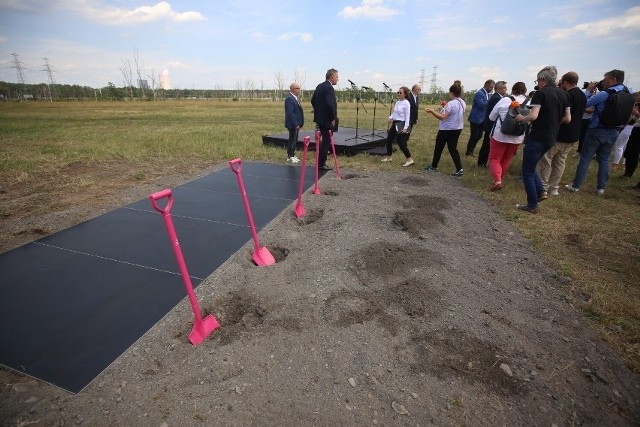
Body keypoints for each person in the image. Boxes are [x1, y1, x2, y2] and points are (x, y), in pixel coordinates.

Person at [514, 65, 570, 213]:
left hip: (538, 136)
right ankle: (541, 191)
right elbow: (567, 118)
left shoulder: (541, 93)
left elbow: (533, 116)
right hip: (552, 136)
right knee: (532, 167)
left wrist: (521, 118)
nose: (537, 83)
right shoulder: (564, 94)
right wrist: (553, 122)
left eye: (537, 80)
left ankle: (532, 205)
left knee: (526, 170)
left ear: (543, 79)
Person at [565, 69, 631, 195]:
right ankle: (601, 188)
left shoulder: (606, 94)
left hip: (597, 129)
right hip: (615, 131)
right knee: (604, 159)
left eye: (605, 80)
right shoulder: (627, 94)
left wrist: (589, 90)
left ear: (613, 79)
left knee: (585, 158)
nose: (603, 83)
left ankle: (576, 185)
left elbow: (583, 103)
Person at [535, 71, 586, 196]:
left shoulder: (568, 95)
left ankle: (543, 186)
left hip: (560, 133)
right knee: (560, 162)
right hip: (573, 135)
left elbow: (563, 115)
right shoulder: (583, 95)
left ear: (565, 82)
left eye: (562, 82)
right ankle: (554, 187)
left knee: (546, 159)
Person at [486, 82, 528, 191]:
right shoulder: (529, 102)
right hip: (518, 136)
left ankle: (497, 180)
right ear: (525, 90)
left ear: (513, 89)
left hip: (500, 134)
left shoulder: (505, 100)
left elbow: (491, 117)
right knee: (507, 158)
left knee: (495, 158)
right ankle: (499, 179)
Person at [423, 81, 466, 176]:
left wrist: (432, 111)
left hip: (446, 129)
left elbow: (442, 117)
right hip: (457, 128)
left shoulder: (451, 104)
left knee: (439, 147)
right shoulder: (462, 102)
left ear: (451, 92)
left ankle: (434, 166)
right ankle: (459, 168)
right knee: (453, 149)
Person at [311, 68, 339, 170]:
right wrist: (332, 117)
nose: (338, 79)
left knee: (324, 140)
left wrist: (318, 111)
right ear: (331, 77)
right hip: (327, 119)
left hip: (319, 118)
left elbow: (313, 100)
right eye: (337, 77)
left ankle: (320, 162)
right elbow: (329, 104)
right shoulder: (329, 88)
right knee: (326, 141)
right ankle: (320, 164)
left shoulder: (319, 86)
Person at [381, 86, 414, 166]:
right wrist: (390, 117)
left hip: (401, 124)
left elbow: (407, 116)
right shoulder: (398, 102)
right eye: (398, 92)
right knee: (389, 140)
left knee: (401, 143)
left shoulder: (406, 103)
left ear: (405, 94)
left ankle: (409, 159)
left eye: (400, 93)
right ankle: (389, 157)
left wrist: (405, 128)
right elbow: (395, 113)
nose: (398, 94)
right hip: (394, 123)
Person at [478, 81, 508, 166]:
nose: (506, 89)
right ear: (498, 89)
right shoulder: (496, 98)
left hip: (490, 124)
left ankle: (482, 162)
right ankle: (482, 163)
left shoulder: (497, 97)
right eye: (504, 88)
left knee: (487, 144)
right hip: (491, 124)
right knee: (487, 145)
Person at [465, 79, 495, 157]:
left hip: (482, 119)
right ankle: (468, 152)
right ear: (486, 85)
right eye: (491, 87)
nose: (492, 89)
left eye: (492, 88)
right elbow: (482, 105)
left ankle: (471, 150)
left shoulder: (486, 94)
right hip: (476, 119)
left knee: (479, 136)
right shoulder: (480, 93)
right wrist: (492, 102)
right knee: (474, 136)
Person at [284, 82, 304, 164]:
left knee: (294, 140)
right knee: (292, 140)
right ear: (293, 89)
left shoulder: (294, 98)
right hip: (292, 124)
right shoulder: (289, 98)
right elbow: (290, 113)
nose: (299, 90)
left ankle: (292, 154)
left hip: (296, 124)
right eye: (298, 88)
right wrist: (295, 124)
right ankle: (290, 156)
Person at [622, 96, 640, 178]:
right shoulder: (637, 105)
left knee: (633, 152)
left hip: (638, 131)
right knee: (629, 151)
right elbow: (633, 121)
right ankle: (627, 172)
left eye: (638, 95)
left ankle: (629, 173)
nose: (637, 96)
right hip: (635, 129)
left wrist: (636, 113)